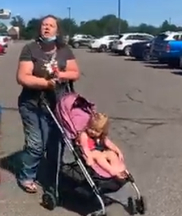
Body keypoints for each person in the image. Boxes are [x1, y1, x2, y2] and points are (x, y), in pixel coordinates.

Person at [16, 15, 80, 193]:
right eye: (44, 25)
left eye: (51, 25)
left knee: (56, 144)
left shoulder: (64, 49)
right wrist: (46, 84)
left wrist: (61, 75)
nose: (46, 28)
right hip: (32, 104)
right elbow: (23, 77)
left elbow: (75, 72)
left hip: (58, 105)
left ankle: (54, 177)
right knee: (36, 145)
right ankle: (27, 176)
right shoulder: (30, 48)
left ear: (57, 30)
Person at [78, 113, 128, 179]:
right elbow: (85, 147)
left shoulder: (100, 137)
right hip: (91, 153)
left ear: (102, 131)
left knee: (111, 153)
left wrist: (118, 151)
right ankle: (111, 170)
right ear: (88, 125)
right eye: (91, 128)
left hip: (101, 152)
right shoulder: (84, 135)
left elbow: (109, 144)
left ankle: (117, 168)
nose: (92, 132)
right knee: (97, 154)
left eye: (96, 131)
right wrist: (89, 157)